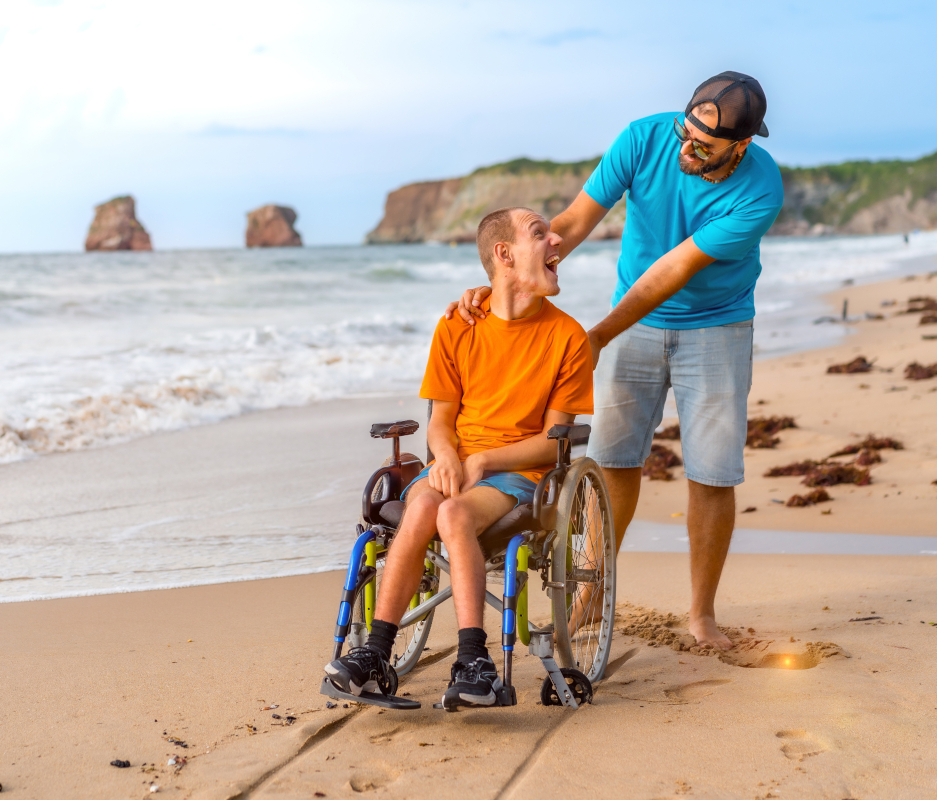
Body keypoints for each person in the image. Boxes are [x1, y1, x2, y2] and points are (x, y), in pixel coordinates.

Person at [448, 72, 784, 650]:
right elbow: (573, 224)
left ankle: (700, 614)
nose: (687, 147)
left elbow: (671, 272)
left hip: (717, 326)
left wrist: (597, 335)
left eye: (705, 145)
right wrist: (503, 284)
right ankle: (588, 596)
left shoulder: (760, 190)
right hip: (636, 324)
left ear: (742, 145)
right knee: (611, 462)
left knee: (711, 473)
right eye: (686, 130)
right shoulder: (642, 139)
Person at [325, 207, 593, 707]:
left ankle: (474, 658)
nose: (557, 239)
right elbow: (441, 421)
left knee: (447, 511)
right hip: (456, 463)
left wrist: (484, 463)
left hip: (518, 471)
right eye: (540, 233)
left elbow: (553, 442)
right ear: (504, 254)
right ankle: (376, 654)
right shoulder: (457, 324)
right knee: (425, 506)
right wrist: (446, 455)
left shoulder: (569, 338)